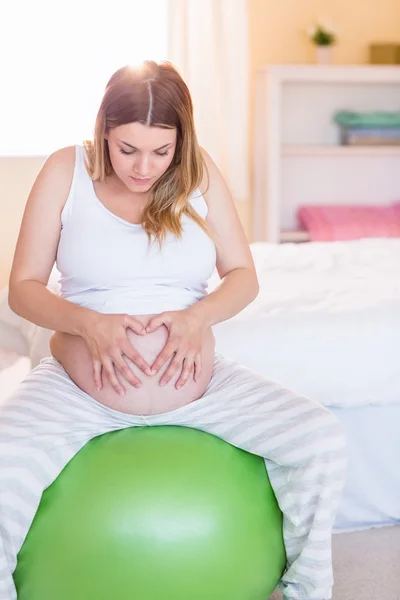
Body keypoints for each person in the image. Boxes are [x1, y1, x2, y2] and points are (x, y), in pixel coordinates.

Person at [1, 60, 347, 600]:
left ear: (181, 141)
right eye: (127, 149)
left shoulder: (198, 172)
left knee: (319, 439)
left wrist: (196, 317)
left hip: (202, 389)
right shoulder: (65, 170)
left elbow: (243, 276)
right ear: (103, 132)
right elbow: (22, 287)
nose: (144, 168)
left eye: (161, 151)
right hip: (77, 392)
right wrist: (89, 324)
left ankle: (309, 590)